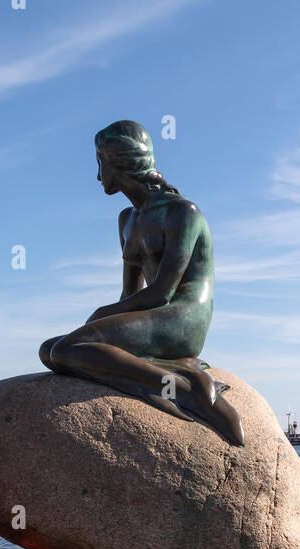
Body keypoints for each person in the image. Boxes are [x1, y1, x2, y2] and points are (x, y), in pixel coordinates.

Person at [40, 120, 244, 446]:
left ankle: (187, 390)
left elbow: (163, 292)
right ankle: (167, 375)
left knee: (67, 349)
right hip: (153, 315)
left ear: (121, 160)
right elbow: (130, 294)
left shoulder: (182, 212)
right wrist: (104, 320)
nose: (97, 175)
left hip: (182, 317)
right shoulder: (127, 220)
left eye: (100, 163)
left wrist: (100, 315)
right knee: (49, 350)